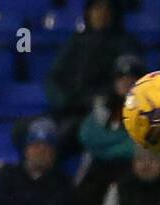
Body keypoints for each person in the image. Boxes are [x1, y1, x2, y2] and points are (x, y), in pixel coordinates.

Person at [43, 0, 141, 153]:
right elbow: (54, 78)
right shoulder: (75, 41)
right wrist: (63, 100)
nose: (101, 14)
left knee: (66, 134)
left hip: (100, 111)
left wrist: (92, 100)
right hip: (66, 109)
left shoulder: (125, 43)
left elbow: (124, 84)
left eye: (106, 8)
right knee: (28, 130)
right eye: (97, 8)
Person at [72, 53, 143, 205]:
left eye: (132, 79)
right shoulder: (102, 105)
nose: (126, 83)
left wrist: (107, 144)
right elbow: (88, 137)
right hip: (100, 170)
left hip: (132, 171)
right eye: (121, 78)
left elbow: (140, 148)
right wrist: (124, 140)